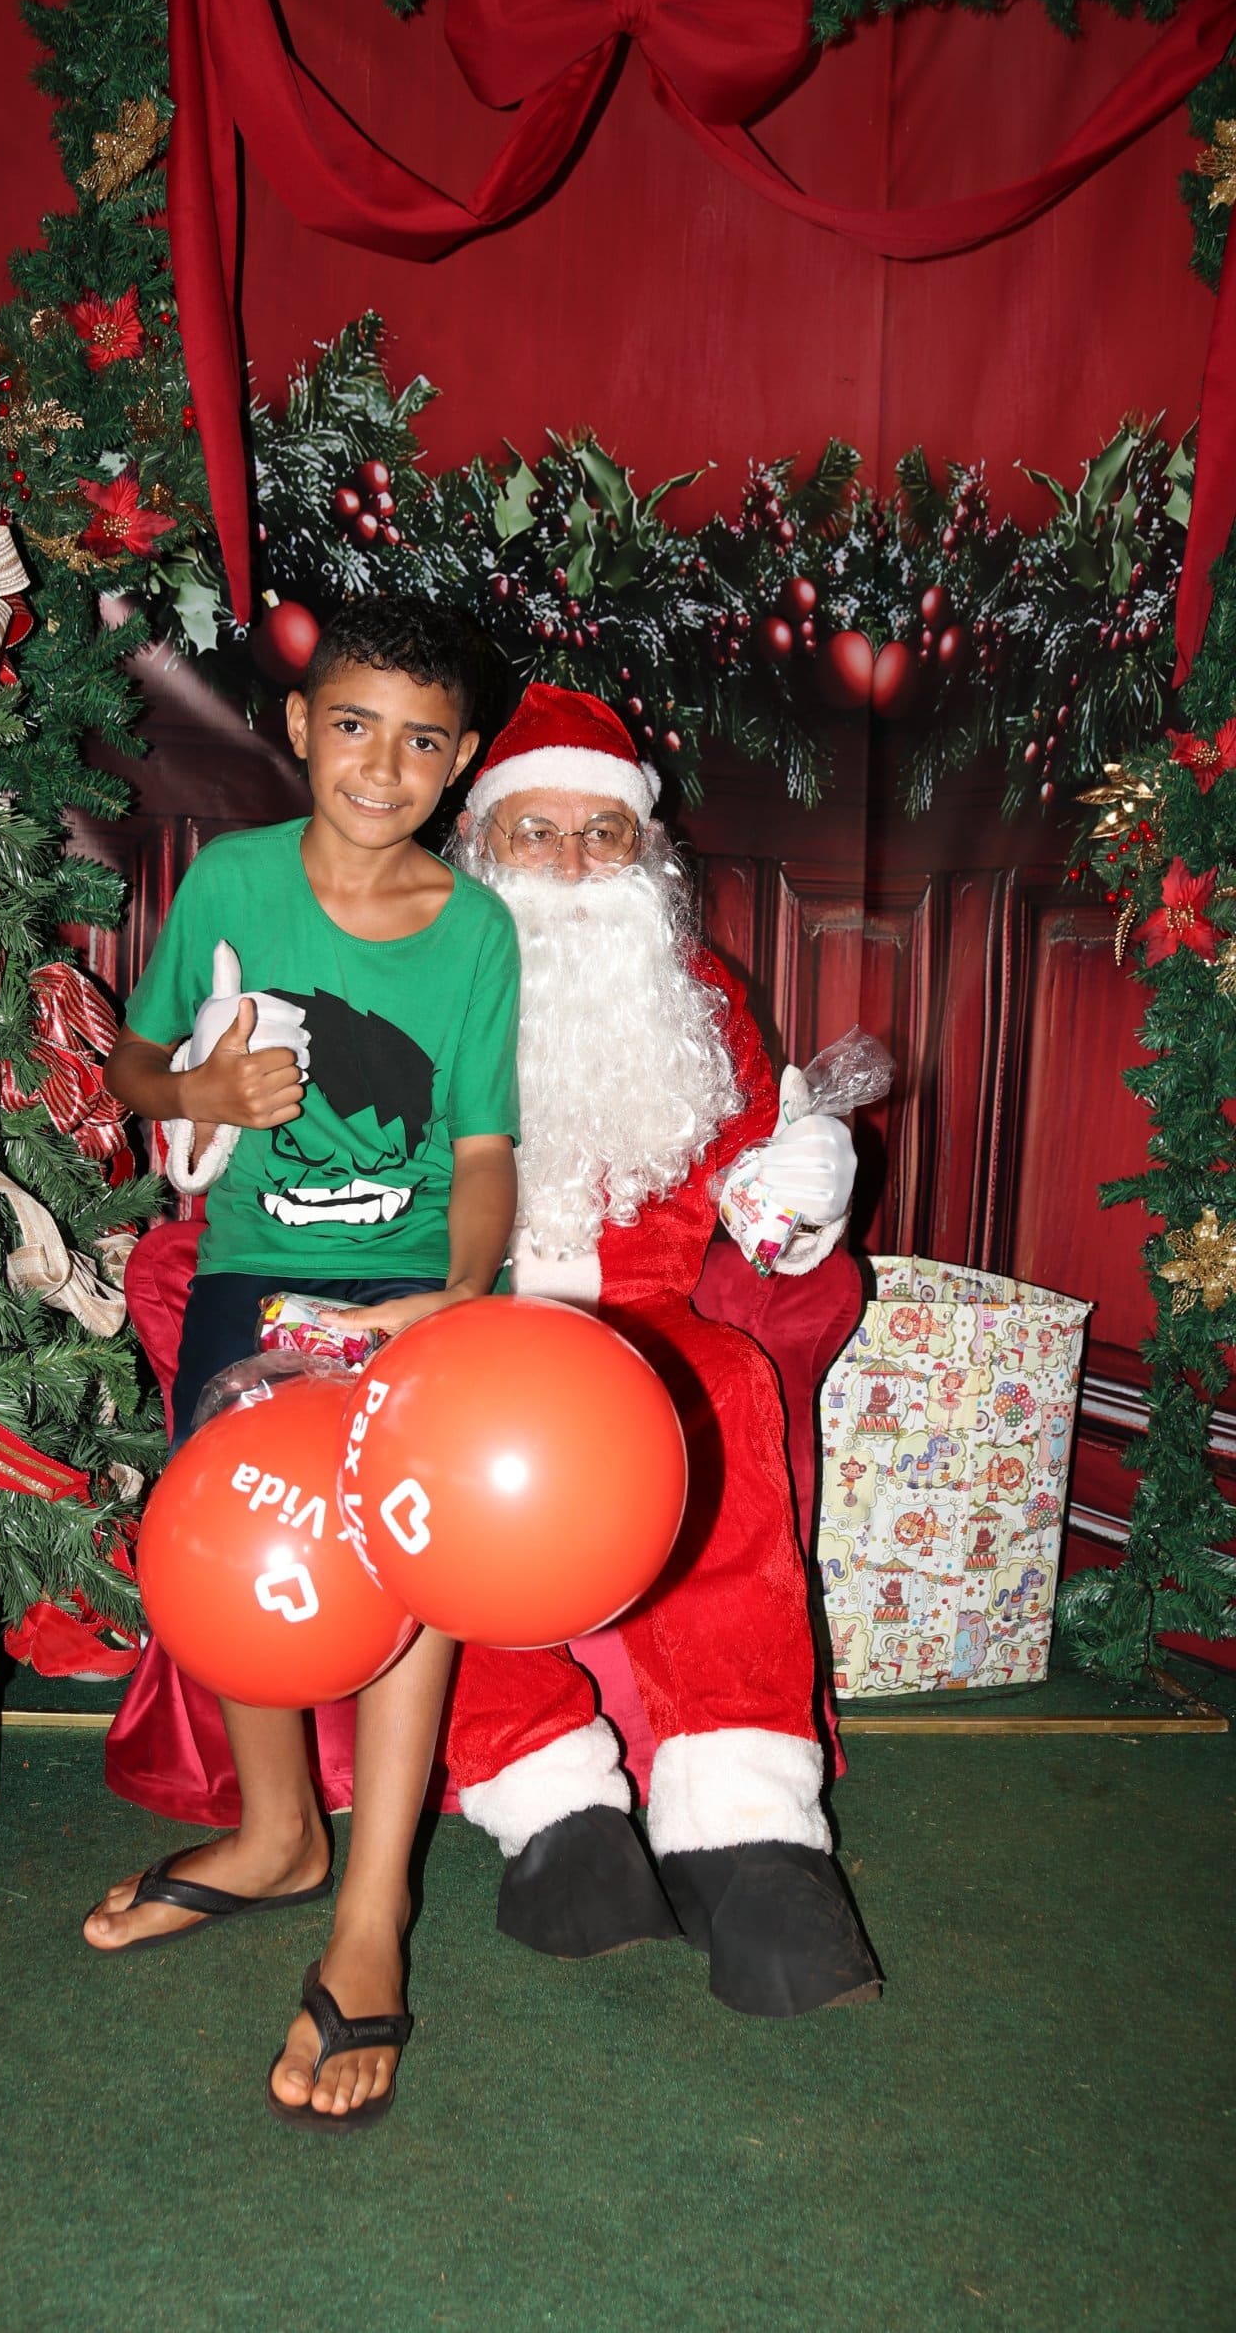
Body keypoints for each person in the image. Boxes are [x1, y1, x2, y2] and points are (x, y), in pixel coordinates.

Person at [87, 597, 519, 2129]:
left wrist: (456, 1296)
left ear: (460, 761)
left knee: (407, 1559)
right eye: (353, 727)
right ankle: (278, 1833)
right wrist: (200, 1090)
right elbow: (134, 1065)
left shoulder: (477, 931)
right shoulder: (233, 882)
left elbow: (483, 1150)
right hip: (255, 1278)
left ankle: (373, 1908)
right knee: (227, 1538)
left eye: (420, 743)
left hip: (416, 1288)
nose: (381, 768)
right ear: (296, 728)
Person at [421, 682, 882, 2016]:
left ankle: (746, 1826)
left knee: (726, 1390)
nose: (571, 864)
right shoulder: (413, 981)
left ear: (646, 854)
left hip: (648, 1319)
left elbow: (761, 1210)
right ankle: (551, 1807)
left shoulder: (697, 997)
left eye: (602, 834)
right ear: (482, 846)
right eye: (537, 832)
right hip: (463, 1316)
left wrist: (804, 1184)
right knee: (444, 1445)